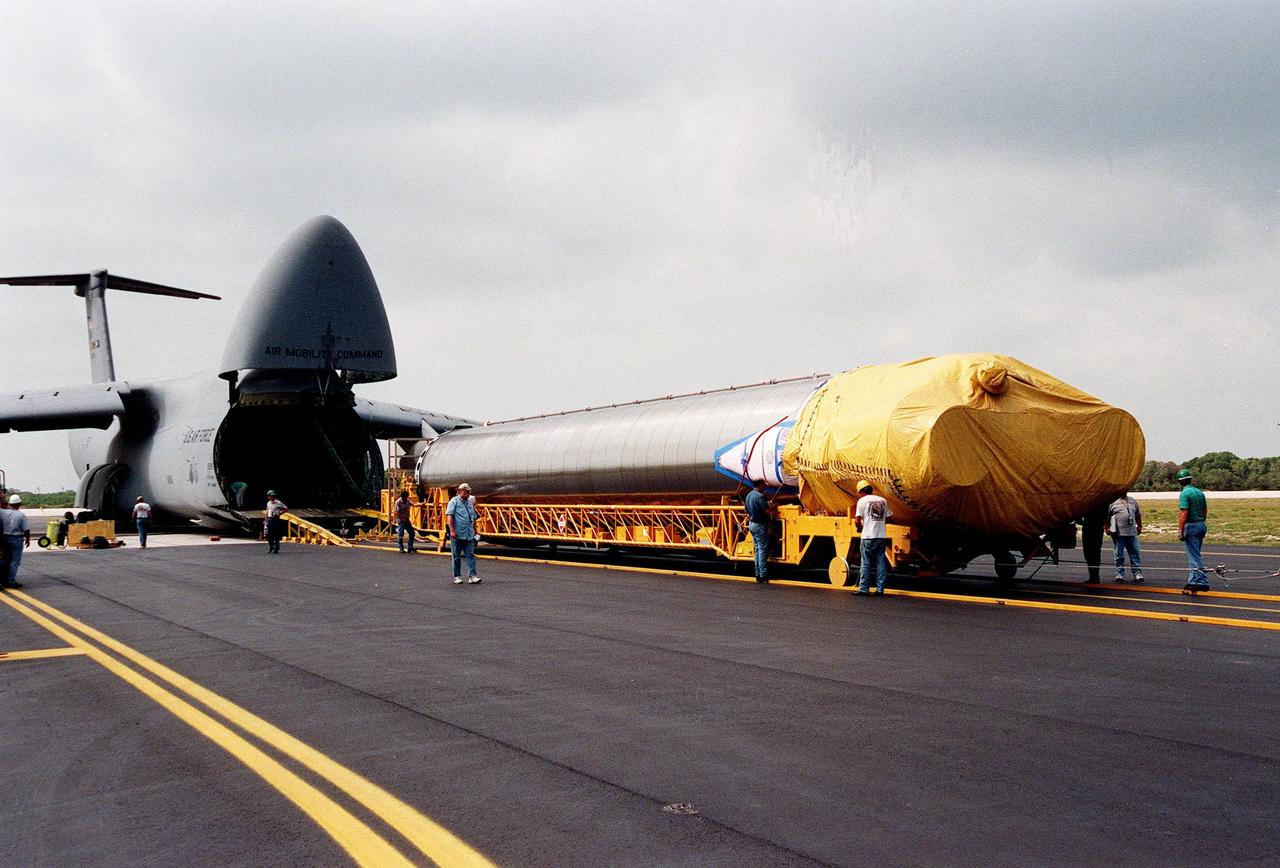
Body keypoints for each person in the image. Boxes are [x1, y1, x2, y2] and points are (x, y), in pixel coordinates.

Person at [854, 480, 892, 595]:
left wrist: (860, 528)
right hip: (881, 536)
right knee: (881, 562)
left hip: (868, 536)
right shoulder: (882, 500)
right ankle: (880, 589)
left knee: (866, 562)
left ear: (861, 492)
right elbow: (889, 517)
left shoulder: (861, 501)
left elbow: (857, 520)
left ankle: (864, 589)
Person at [1176, 469, 1209, 591]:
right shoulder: (1199, 492)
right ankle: (1193, 580)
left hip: (1192, 525)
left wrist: (1180, 529)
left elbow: (1184, 511)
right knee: (1195, 553)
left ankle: (1202, 581)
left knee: (1193, 556)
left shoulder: (1185, 493)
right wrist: (1202, 521)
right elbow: (1205, 509)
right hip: (1201, 524)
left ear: (1180, 482)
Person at [445, 483, 481, 584]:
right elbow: (450, 516)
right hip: (457, 534)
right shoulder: (454, 502)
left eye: (469, 491)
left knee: (470, 554)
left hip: (469, 533)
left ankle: (472, 576)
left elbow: (473, 518)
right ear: (460, 491)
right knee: (456, 556)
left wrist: (475, 531)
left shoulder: (469, 502)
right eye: (466, 491)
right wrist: (452, 530)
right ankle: (457, 576)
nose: (468, 493)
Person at [1107, 490, 1143, 582]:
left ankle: (1137, 573)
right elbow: (1107, 517)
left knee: (1135, 553)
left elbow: (1138, 514)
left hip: (1132, 532)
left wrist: (1139, 526)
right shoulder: (1112, 502)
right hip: (1118, 534)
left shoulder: (1132, 501)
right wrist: (1106, 528)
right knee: (1119, 555)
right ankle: (1119, 574)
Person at [743, 479, 772, 583]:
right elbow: (767, 511)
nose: (765, 486)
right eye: (764, 485)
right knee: (762, 549)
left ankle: (758, 574)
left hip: (752, 524)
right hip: (760, 524)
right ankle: (763, 575)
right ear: (760, 485)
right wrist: (772, 507)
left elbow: (745, 510)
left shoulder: (749, 495)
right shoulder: (759, 496)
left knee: (757, 549)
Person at [3, 494, 31, 589]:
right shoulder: (21, 515)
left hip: (4, 539)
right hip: (16, 539)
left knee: (5, 560)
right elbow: (26, 529)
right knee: (14, 561)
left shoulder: (3, 513)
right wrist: (27, 539)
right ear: (19, 503)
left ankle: (4, 579)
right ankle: (10, 581)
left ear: (9, 503)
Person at [1080, 501, 1109, 584]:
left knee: (1093, 553)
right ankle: (1093, 576)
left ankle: (1094, 576)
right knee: (1089, 553)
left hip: (1094, 528)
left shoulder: (1100, 502)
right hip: (1091, 527)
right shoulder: (1101, 502)